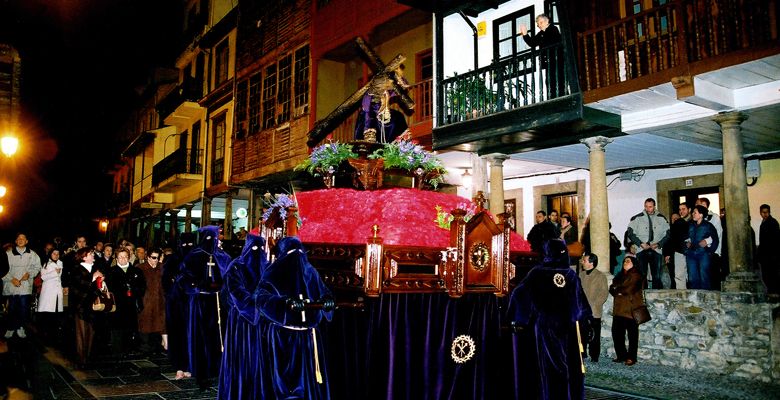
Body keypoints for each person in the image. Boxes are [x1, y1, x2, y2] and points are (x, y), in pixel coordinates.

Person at [507, 239, 591, 399]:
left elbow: (520, 295)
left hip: (546, 327)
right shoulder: (571, 275)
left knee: (548, 366)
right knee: (568, 364)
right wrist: (585, 321)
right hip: (569, 327)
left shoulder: (537, 273)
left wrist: (517, 319)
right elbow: (581, 304)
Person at [253, 236, 335, 399]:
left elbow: (323, 291)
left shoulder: (310, 271)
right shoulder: (273, 271)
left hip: (308, 336)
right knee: (285, 382)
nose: (296, 256)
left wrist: (327, 300)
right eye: (292, 252)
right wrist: (284, 304)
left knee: (308, 379)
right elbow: (261, 298)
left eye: (299, 252)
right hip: (283, 336)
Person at [179, 225, 232, 389]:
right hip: (200, 302)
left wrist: (221, 288)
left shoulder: (222, 256)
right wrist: (198, 287)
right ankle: (202, 373)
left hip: (218, 303)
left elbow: (230, 278)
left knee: (219, 337)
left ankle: (219, 369)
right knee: (200, 337)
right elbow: (184, 278)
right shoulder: (193, 256)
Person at [219, 234, 268, 400]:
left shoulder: (267, 266)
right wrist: (252, 309)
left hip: (262, 320)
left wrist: (264, 306)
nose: (258, 252)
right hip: (241, 319)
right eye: (254, 248)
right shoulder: (236, 266)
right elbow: (234, 291)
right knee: (241, 358)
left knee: (259, 359)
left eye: (261, 248)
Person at [163, 232, 196, 380]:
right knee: (177, 336)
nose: (187, 247)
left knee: (191, 336)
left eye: (190, 244)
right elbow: (165, 282)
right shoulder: (172, 260)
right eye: (185, 244)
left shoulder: (196, 258)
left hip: (192, 304)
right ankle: (179, 367)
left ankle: (190, 366)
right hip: (176, 305)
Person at [66, 247, 103, 368]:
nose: (93, 256)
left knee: (90, 332)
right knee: (81, 334)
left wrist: (100, 284)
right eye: (91, 254)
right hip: (80, 306)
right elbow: (79, 286)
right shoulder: (77, 269)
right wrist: (93, 278)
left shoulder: (94, 269)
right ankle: (81, 360)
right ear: (84, 257)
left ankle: (87, 358)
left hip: (91, 306)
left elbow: (95, 288)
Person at [105, 247, 146, 357]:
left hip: (131, 304)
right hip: (117, 305)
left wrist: (134, 292)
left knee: (130, 328)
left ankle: (128, 349)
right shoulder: (111, 271)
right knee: (117, 328)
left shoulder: (136, 271)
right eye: (120, 257)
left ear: (129, 257)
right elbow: (108, 288)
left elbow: (142, 287)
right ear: (116, 258)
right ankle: (117, 351)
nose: (123, 259)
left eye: (125, 257)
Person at [354, 65, 409, 143]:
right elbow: (366, 109)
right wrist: (368, 129)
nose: (389, 86)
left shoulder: (388, 90)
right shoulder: (370, 94)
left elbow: (403, 87)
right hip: (371, 114)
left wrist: (399, 75)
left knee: (398, 116)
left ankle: (400, 143)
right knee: (371, 118)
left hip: (385, 111)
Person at [3, 233, 42, 339]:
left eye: (23, 238)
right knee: (11, 308)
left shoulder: (33, 254)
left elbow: (38, 267)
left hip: (25, 286)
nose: (20, 240)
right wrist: (11, 279)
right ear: (16, 241)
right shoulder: (8, 254)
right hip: (11, 286)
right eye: (18, 238)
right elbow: (2, 270)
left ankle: (20, 327)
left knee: (23, 308)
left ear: (26, 241)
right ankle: (10, 328)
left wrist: (30, 274)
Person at [609, 255, 645, 366]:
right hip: (619, 310)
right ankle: (621, 355)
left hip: (631, 310)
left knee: (632, 336)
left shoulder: (637, 275)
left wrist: (618, 289)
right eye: (624, 261)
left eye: (628, 261)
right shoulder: (619, 276)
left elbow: (629, 289)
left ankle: (631, 357)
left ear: (634, 263)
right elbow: (612, 288)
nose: (625, 262)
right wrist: (618, 290)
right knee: (617, 334)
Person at [626, 198, 670, 289]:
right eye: (646, 206)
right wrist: (640, 243)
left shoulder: (661, 218)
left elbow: (668, 234)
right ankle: (643, 296)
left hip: (656, 250)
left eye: (650, 207)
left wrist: (658, 244)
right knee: (642, 275)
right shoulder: (637, 218)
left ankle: (656, 297)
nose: (648, 209)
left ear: (654, 206)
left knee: (657, 276)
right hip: (641, 249)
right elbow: (630, 232)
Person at [520, 13, 565, 99]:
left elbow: (550, 40)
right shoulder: (541, 33)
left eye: (540, 23)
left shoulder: (553, 29)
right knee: (549, 81)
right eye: (538, 24)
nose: (539, 25)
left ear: (547, 21)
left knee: (558, 80)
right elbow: (532, 43)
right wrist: (525, 34)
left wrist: (541, 36)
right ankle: (552, 99)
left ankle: (560, 98)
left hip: (557, 60)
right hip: (548, 61)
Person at [578, 252, 608, 362]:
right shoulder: (581, 275)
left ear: (591, 263)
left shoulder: (600, 276)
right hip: (582, 311)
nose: (582, 262)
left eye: (584, 260)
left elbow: (603, 293)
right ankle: (582, 353)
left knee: (594, 335)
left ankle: (594, 356)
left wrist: (595, 305)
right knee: (581, 333)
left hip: (594, 311)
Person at [137, 248, 165, 356]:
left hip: (159, 301)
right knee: (145, 323)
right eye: (153, 258)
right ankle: (144, 348)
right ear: (147, 257)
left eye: (158, 258)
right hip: (145, 300)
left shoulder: (161, 268)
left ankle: (156, 347)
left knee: (158, 323)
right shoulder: (140, 268)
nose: (156, 260)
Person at [686, 205, 719, 290]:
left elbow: (715, 238)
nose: (692, 214)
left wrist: (710, 251)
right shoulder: (690, 225)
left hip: (703, 254)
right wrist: (687, 243)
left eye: (695, 212)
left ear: (701, 215)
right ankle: (695, 297)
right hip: (691, 254)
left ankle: (706, 298)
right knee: (692, 277)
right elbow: (685, 236)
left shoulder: (708, 226)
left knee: (705, 276)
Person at [37, 249, 65, 346]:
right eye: (54, 253)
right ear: (50, 254)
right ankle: (46, 339)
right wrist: (54, 272)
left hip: (57, 294)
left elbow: (60, 278)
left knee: (56, 317)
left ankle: (54, 338)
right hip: (48, 294)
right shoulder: (46, 264)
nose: (56, 255)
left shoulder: (60, 263)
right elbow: (43, 277)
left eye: (58, 253)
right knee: (48, 317)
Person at [667, 203, 691, 289]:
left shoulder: (693, 221)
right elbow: (672, 239)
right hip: (679, 252)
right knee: (679, 276)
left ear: (689, 209)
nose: (681, 211)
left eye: (683, 209)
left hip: (692, 252)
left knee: (691, 276)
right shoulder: (677, 223)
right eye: (680, 209)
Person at [758, 204, 780, 294]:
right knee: (768, 276)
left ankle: (773, 293)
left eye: (767, 212)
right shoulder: (765, 222)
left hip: (771, 255)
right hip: (767, 255)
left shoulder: (772, 222)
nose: (765, 214)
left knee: (771, 276)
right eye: (763, 212)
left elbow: (775, 240)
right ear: (760, 213)